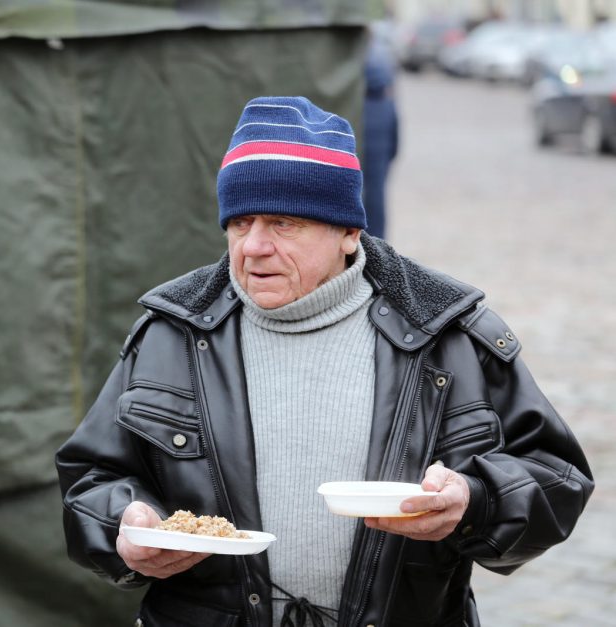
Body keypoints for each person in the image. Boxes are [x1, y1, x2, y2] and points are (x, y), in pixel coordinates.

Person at [56, 96, 593, 626]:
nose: (254, 247)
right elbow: (93, 477)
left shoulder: (447, 332)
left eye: (283, 223)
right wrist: (122, 525)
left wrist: (474, 503)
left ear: (348, 231)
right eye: (240, 223)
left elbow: (556, 478)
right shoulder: (171, 331)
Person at [362, 26, 399, 239]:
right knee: (377, 198)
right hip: (382, 133)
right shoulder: (384, 62)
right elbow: (396, 119)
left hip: (362, 130)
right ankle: (379, 251)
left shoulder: (350, 67)